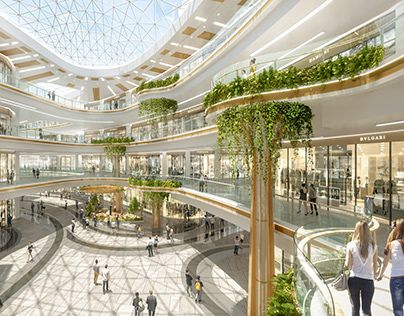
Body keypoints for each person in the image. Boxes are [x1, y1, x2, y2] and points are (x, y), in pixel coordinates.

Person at [345, 220, 378, 316]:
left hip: (354, 279)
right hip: (368, 280)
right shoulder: (373, 246)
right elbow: (375, 266)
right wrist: (375, 273)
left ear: (356, 230)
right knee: (367, 310)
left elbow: (348, 264)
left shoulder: (350, 245)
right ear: (368, 231)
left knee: (355, 308)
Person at [377, 219, 404, 316]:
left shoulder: (392, 244)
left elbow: (385, 262)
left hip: (396, 279)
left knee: (398, 309)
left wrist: (380, 275)